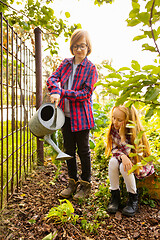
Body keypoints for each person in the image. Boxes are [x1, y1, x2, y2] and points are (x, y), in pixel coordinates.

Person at [46, 29, 98, 200]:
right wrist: (55, 90)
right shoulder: (66, 63)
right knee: (69, 150)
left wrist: (62, 93)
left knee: (83, 151)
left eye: (82, 46)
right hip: (65, 116)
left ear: (88, 47)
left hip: (82, 117)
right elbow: (53, 78)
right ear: (72, 47)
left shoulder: (91, 69)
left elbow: (85, 94)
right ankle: (72, 182)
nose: (78, 50)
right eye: (75, 46)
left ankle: (85, 184)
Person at [105, 104, 154, 216]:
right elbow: (114, 149)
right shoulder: (114, 128)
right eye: (113, 118)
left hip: (137, 163)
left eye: (119, 120)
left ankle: (133, 198)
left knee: (124, 166)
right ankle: (115, 196)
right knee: (113, 162)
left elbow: (133, 156)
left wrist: (122, 138)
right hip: (124, 158)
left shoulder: (134, 133)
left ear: (129, 120)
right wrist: (122, 156)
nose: (115, 122)